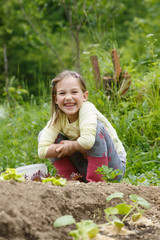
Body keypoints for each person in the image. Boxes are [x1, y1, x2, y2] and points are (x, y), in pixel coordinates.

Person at [38, 70, 126, 182]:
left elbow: (88, 141)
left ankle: (96, 184)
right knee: (42, 135)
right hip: (86, 164)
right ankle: (73, 181)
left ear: (84, 96)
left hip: (112, 168)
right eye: (62, 93)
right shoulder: (58, 117)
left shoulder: (87, 109)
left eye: (74, 92)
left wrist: (72, 146)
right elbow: (42, 150)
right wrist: (64, 148)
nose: (68, 97)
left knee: (96, 128)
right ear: (56, 99)